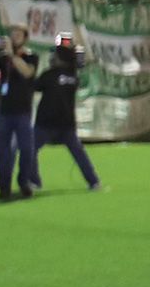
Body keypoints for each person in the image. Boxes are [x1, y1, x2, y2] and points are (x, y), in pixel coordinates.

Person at [33, 35, 101, 191]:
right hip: (66, 123)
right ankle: (93, 181)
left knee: (31, 150)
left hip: (47, 122)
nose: (52, 58)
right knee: (79, 153)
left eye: (55, 55)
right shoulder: (73, 76)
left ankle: (34, 181)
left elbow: (35, 86)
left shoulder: (50, 75)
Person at [0, 24, 41, 201]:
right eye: (12, 34)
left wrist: (12, 54)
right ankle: (4, 186)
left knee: (26, 149)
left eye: (18, 34)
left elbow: (27, 72)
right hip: (2, 110)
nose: (14, 37)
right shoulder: (1, 59)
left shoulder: (31, 56)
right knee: (3, 151)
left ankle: (24, 181)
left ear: (25, 37)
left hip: (22, 111)